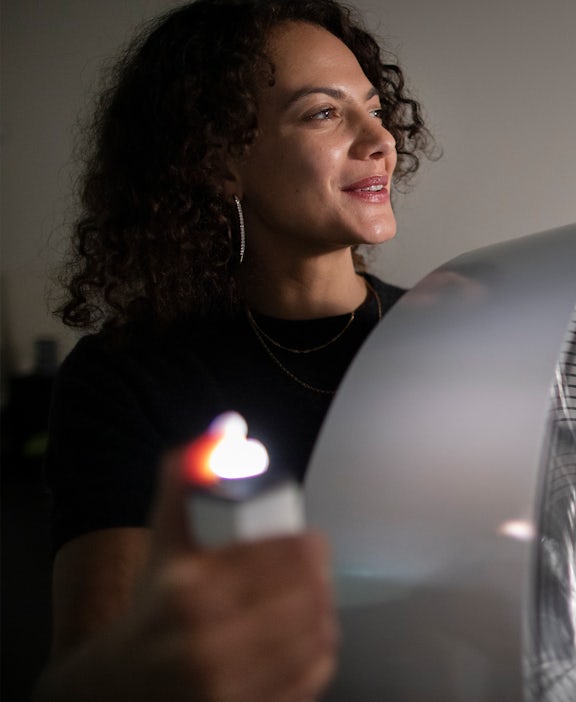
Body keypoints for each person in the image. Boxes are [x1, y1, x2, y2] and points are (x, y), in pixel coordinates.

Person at [33, 1, 435, 699]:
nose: (380, 140)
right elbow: (79, 675)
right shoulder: (125, 378)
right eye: (322, 113)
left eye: (374, 108)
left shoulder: (446, 333)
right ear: (217, 161)